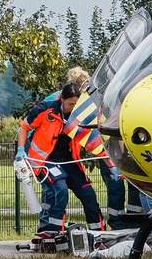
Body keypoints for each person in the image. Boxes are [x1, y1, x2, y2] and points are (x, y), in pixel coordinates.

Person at [19, 83, 105, 232]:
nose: (73, 108)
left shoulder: (81, 115)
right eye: (70, 104)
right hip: (46, 161)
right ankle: (53, 231)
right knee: (60, 190)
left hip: (70, 161)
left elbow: (95, 137)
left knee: (88, 194)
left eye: (76, 104)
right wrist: (21, 150)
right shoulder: (45, 110)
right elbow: (24, 127)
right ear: (62, 99)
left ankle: (98, 232)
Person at [48, 66, 127, 212]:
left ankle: (114, 221)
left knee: (89, 192)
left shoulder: (83, 102)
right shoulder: (64, 102)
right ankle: (117, 220)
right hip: (55, 156)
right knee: (59, 192)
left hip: (72, 154)